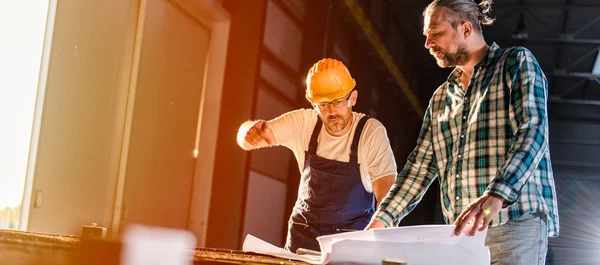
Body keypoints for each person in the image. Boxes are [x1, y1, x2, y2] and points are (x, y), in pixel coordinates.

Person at [365, 1, 559, 264]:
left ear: (466, 29)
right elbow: (420, 167)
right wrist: (382, 220)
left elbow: (532, 132)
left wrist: (497, 195)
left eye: (436, 33)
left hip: (513, 227)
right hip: (461, 237)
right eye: (426, 35)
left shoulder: (515, 64)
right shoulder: (442, 97)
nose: (428, 43)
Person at [237, 58, 397, 253]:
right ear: (313, 104)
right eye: (323, 105)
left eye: (338, 102)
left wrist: (378, 245)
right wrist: (249, 130)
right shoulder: (303, 123)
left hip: (350, 243)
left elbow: (389, 198)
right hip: (302, 240)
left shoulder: (371, 133)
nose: (331, 111)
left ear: (352, 98)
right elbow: (247, 142)